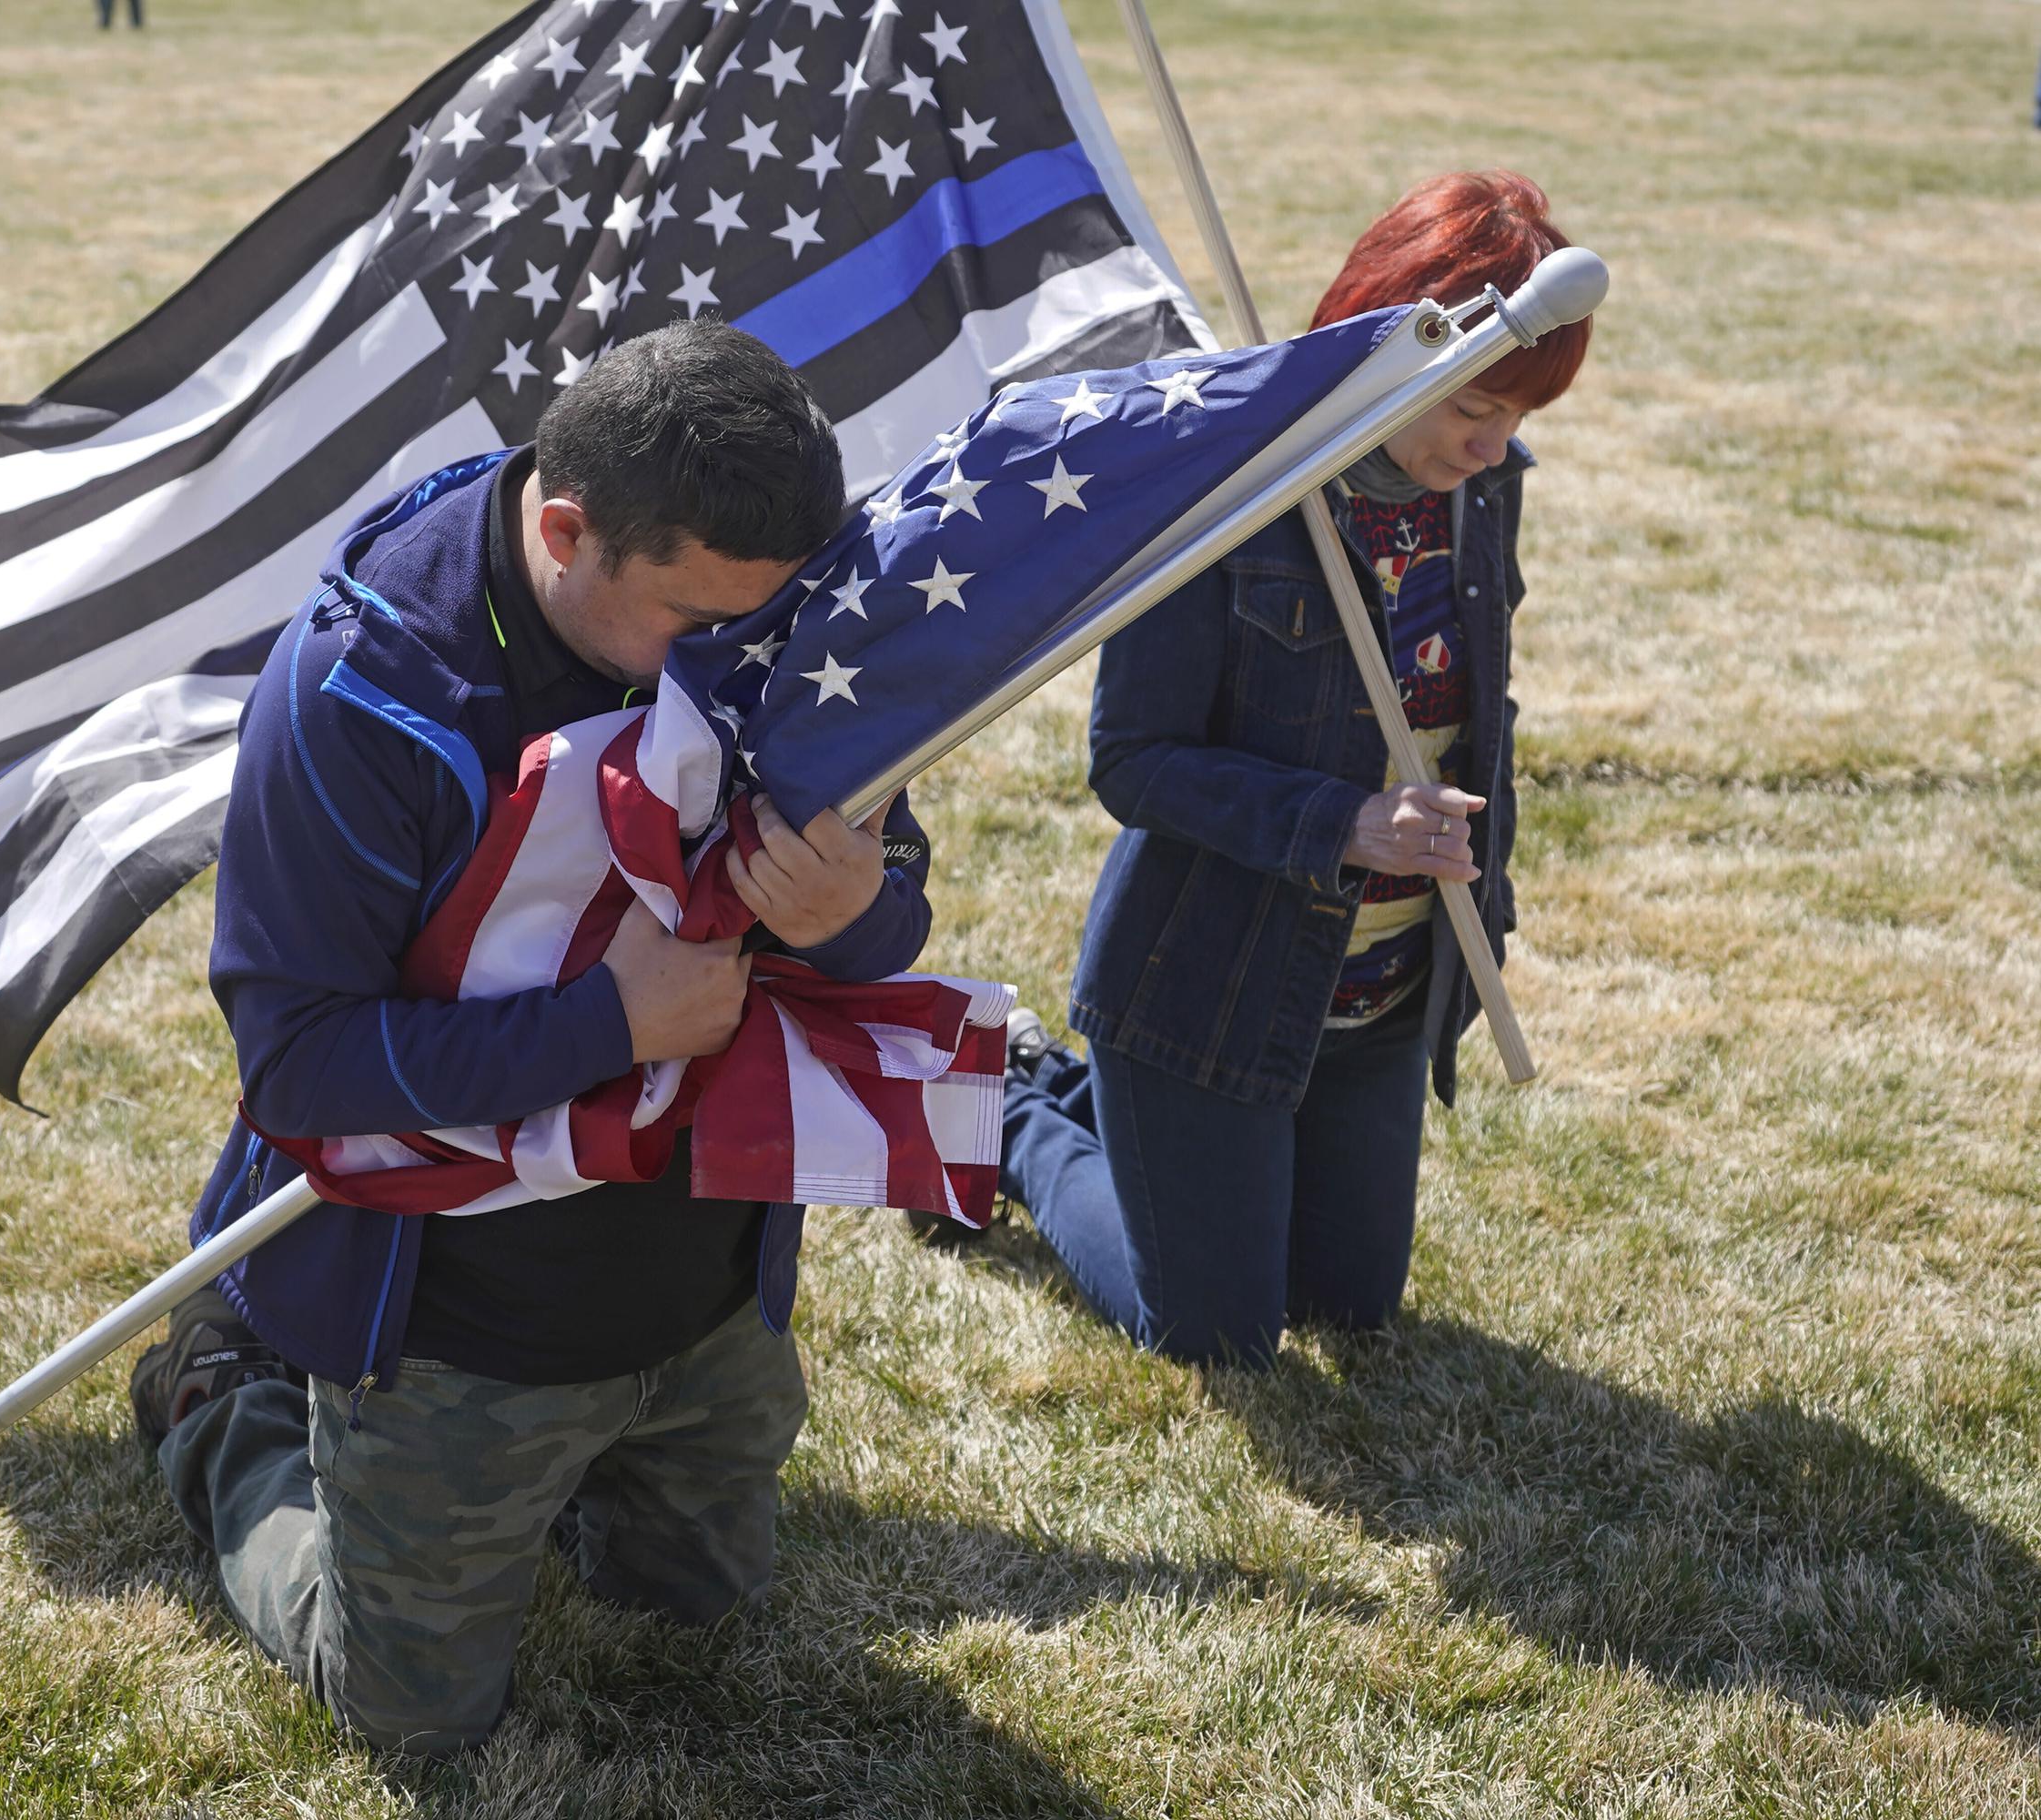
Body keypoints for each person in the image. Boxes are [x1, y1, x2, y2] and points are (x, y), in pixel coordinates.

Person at [129, 322, 937, 1754]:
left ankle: (619, 1457)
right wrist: (609, 1023)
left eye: (775, 620)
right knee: (413, 1723)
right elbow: (301, 1067)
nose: (748, 659)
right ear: (567, 532)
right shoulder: (362, 692)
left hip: (706, 1293)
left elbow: (890, 909)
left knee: (701, 1612)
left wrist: (854, 912)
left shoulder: (764, 599)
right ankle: (219, 1396)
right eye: (702, 629)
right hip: (457, 1330)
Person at [985, 171, 1595, 1368]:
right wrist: (1345, 823)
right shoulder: (1230, 496)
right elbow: (1133, 763)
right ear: (1392, 347)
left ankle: (1123, 1132)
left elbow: (1479, 703)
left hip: (1377, 998)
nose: (1494, 447)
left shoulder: (1479, 493)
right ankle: (1010, 1108)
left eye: (1519, 420)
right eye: (1477, 406)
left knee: (1347, 1310)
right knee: (1215, 1334)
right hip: (1208, 989)